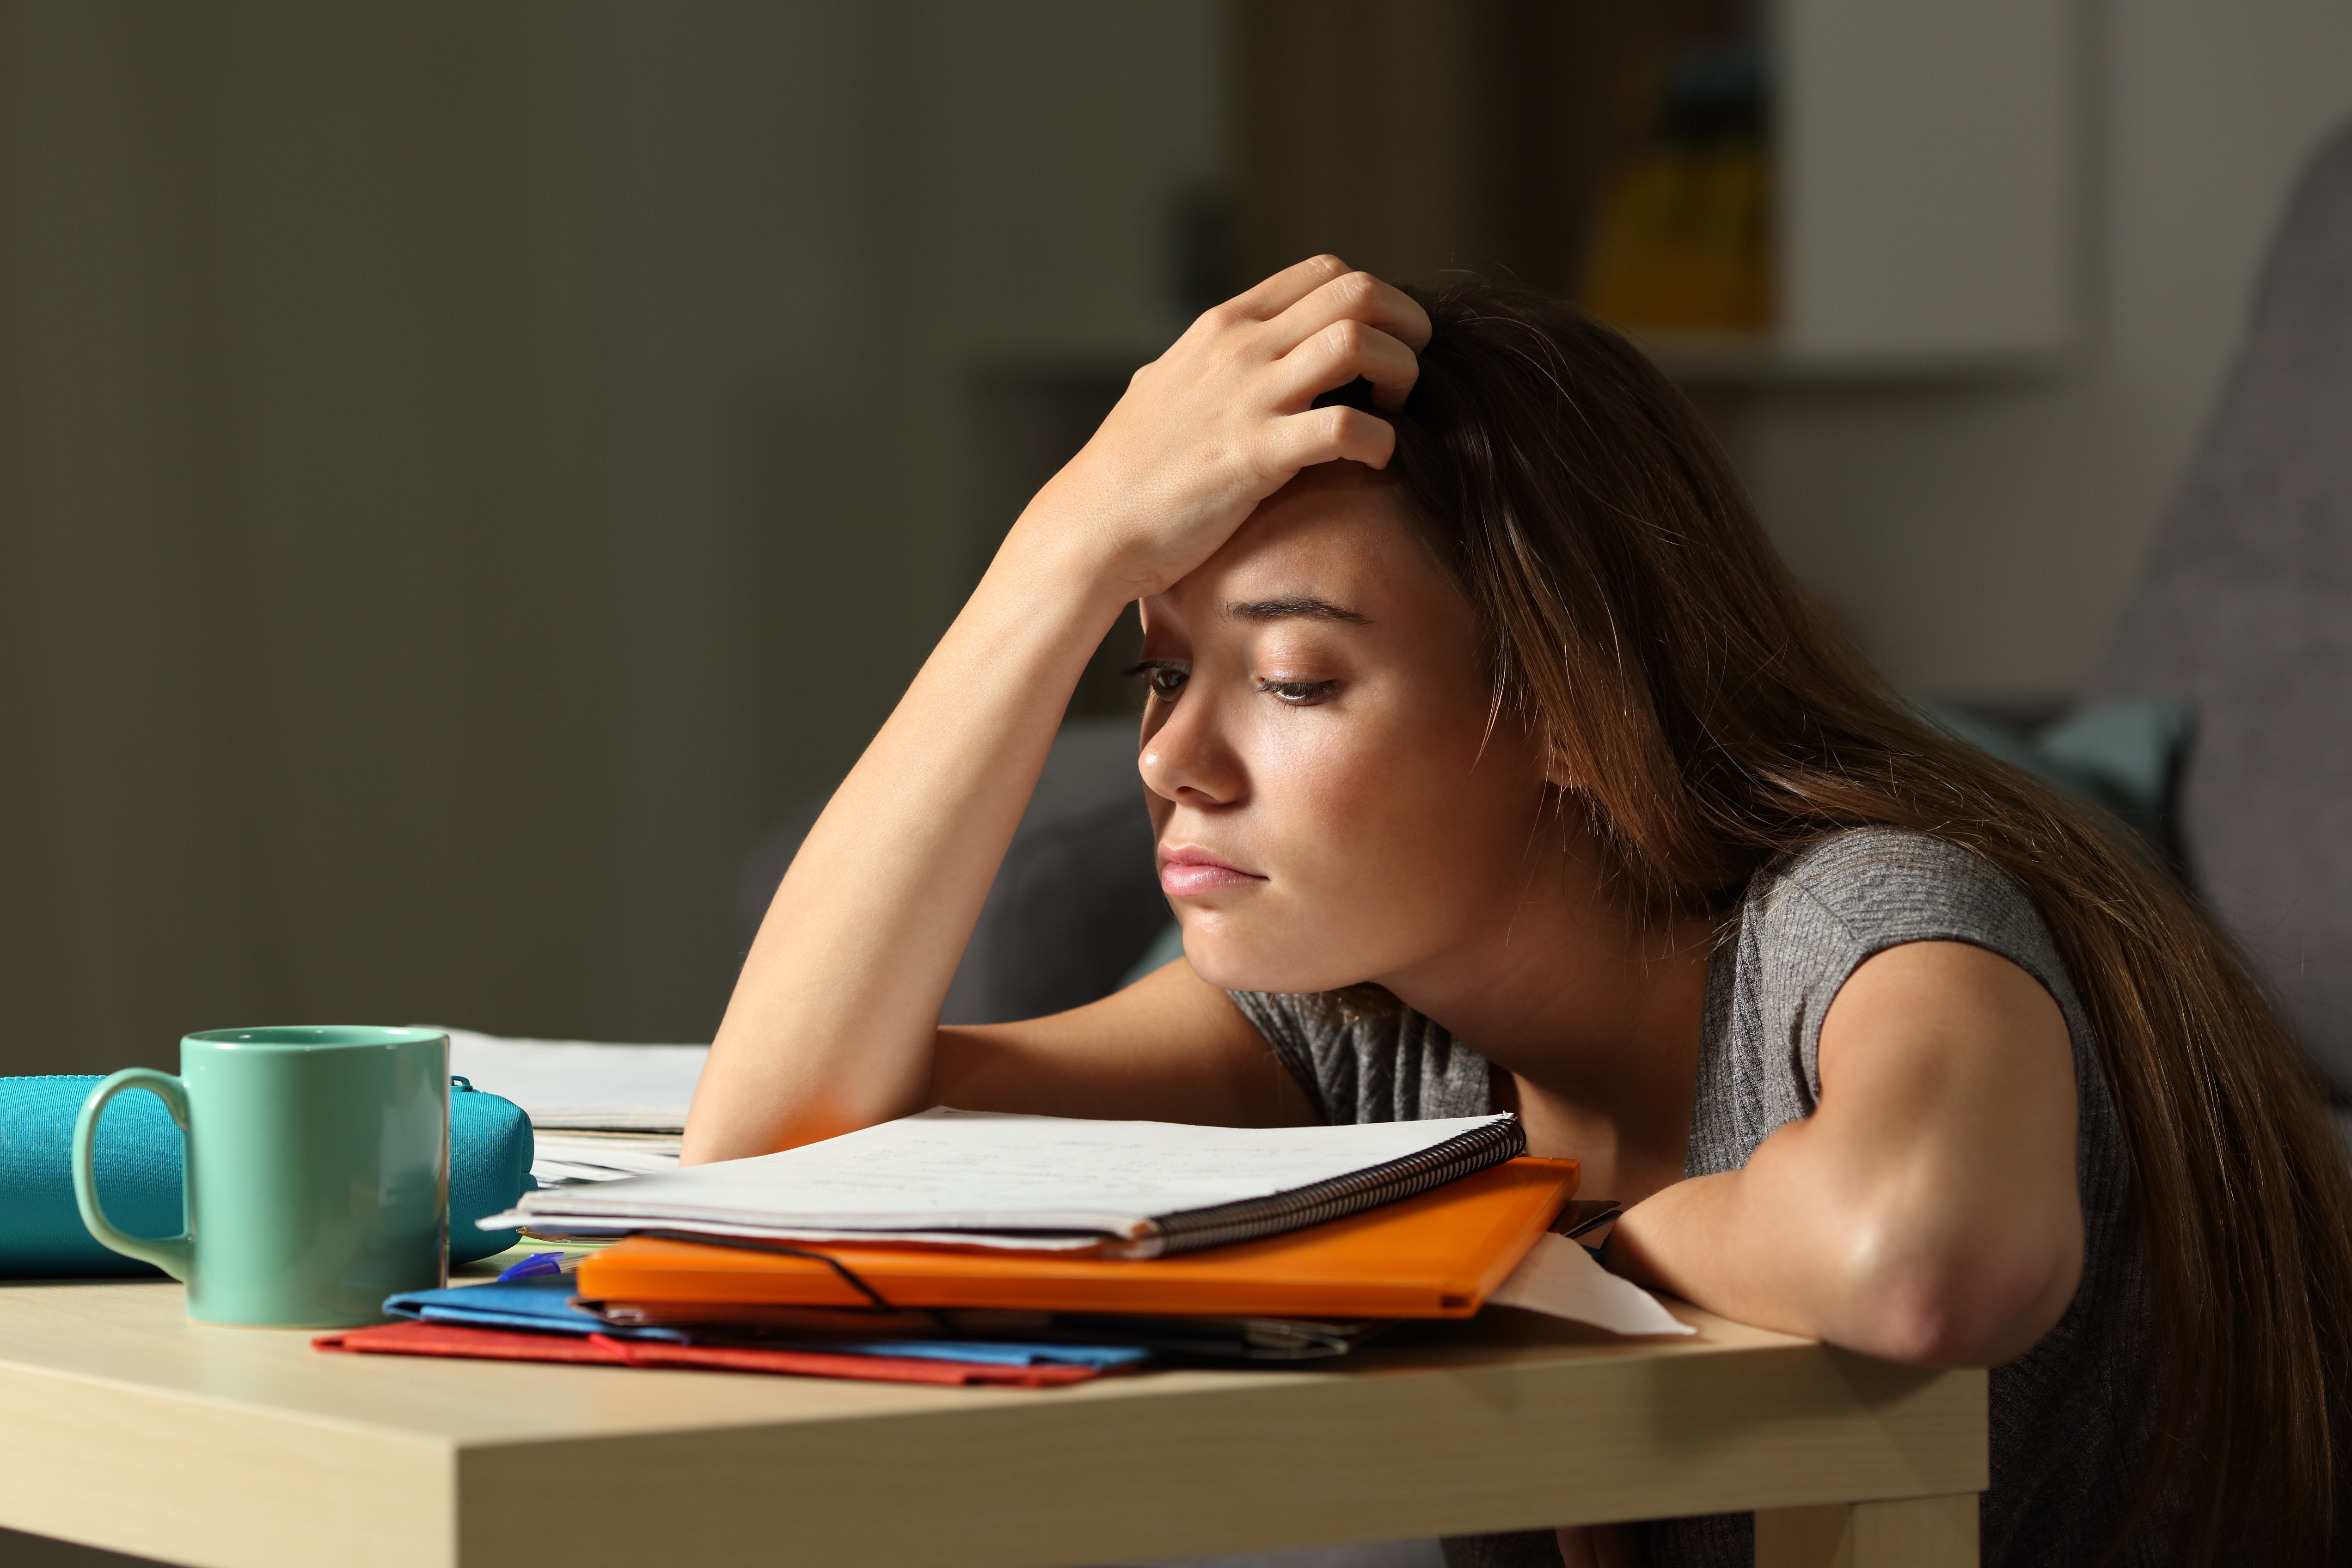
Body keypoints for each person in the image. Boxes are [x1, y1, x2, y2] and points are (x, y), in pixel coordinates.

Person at [686, 257, 2352, 1567]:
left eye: (1291, 677)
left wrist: (1570, 1258)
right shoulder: (1356, 1023)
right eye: (1154, 670)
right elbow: (777, 1150)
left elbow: (1926, 1263)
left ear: (1566, 704)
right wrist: (1056, 553)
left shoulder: (1865, 923)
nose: (1175, 761)